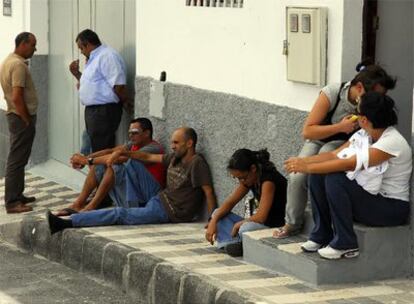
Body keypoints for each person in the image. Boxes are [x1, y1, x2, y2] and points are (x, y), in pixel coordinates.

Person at [274, 61, 397, 238]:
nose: (377, 101)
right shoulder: (332, 93)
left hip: (344, 143)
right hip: (319, 138)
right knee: (297, 176)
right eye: (375, 95)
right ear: (360, 87)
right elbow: (308, 130)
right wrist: (339, 127)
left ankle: (324, 223)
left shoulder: (372, 106)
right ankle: (292, 223)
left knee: (325, 160)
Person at [285, 92, 411, 259]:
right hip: (370, 198)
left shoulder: (392, 142)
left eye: (357, 113)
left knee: (335, 178)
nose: (354, 116)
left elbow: (349, 163)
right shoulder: (364, 135)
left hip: (390, 208)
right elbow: (334, 155)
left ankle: (346, 243)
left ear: (364, 120)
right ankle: (321, 234)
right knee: (318, 176)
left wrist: (307, 167)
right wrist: (305, 162)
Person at [46, 127, 217, 233]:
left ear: (189, 143)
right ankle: (85, 210)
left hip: (169, 211)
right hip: (158, 199)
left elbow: (208, 192)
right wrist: (124, 153)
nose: (172, 146)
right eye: (172, 142)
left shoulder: (197, 163)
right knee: (128, 163)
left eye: (176, 143)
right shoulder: (175, 157)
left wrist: (213, 220)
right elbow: (149, 156)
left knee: (120, 214)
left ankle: (70, 222)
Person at [55, 118, 165, 216]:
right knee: (99, 165)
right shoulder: (133, 144)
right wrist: (86, 159)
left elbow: (117, 158)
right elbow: (111, 151)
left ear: (147, 133)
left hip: (148, 198)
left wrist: (86, 160)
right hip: (133, 193)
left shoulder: (153, 148)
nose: (131, 135)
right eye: (130, 133)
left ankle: (91, 207)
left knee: (115, 166)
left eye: (135, 133)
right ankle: (78, 204)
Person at [205, 149, 287, 257]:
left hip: (275, 227)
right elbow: (230, 203)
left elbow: (261, 217)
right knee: (218, 213)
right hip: (259, 224)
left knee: (245, 228)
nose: (241, 182)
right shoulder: (251, 179)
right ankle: (236, 244)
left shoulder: (268, 181)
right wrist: (213, 221)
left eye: (243, 178)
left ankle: (236, 244)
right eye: (238, 179)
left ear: (253, 169)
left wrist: (238, 224)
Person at [69, 29, 127, 152]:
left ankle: (101, 171)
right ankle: (95, 170)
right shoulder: (93, 58)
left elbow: (118, 84)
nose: (81, 52)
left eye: (81, 48)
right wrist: (76, 74)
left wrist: (125, 103)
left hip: (104, 111)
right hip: (94, 111)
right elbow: (94, 83)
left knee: (100, 149)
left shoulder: (107, 56)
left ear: (88, 44)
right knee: (91, 147)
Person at [0, 32, 38, 214]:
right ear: (23, 44)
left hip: (16, 116)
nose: (34, 49)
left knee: (20, 158)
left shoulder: (9, 60)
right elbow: (16, 96)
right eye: (32, 45)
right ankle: (13, 202)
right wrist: (26, 119)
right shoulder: (17, 65)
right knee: (16, 160)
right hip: (19, 117)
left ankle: (17, 194)